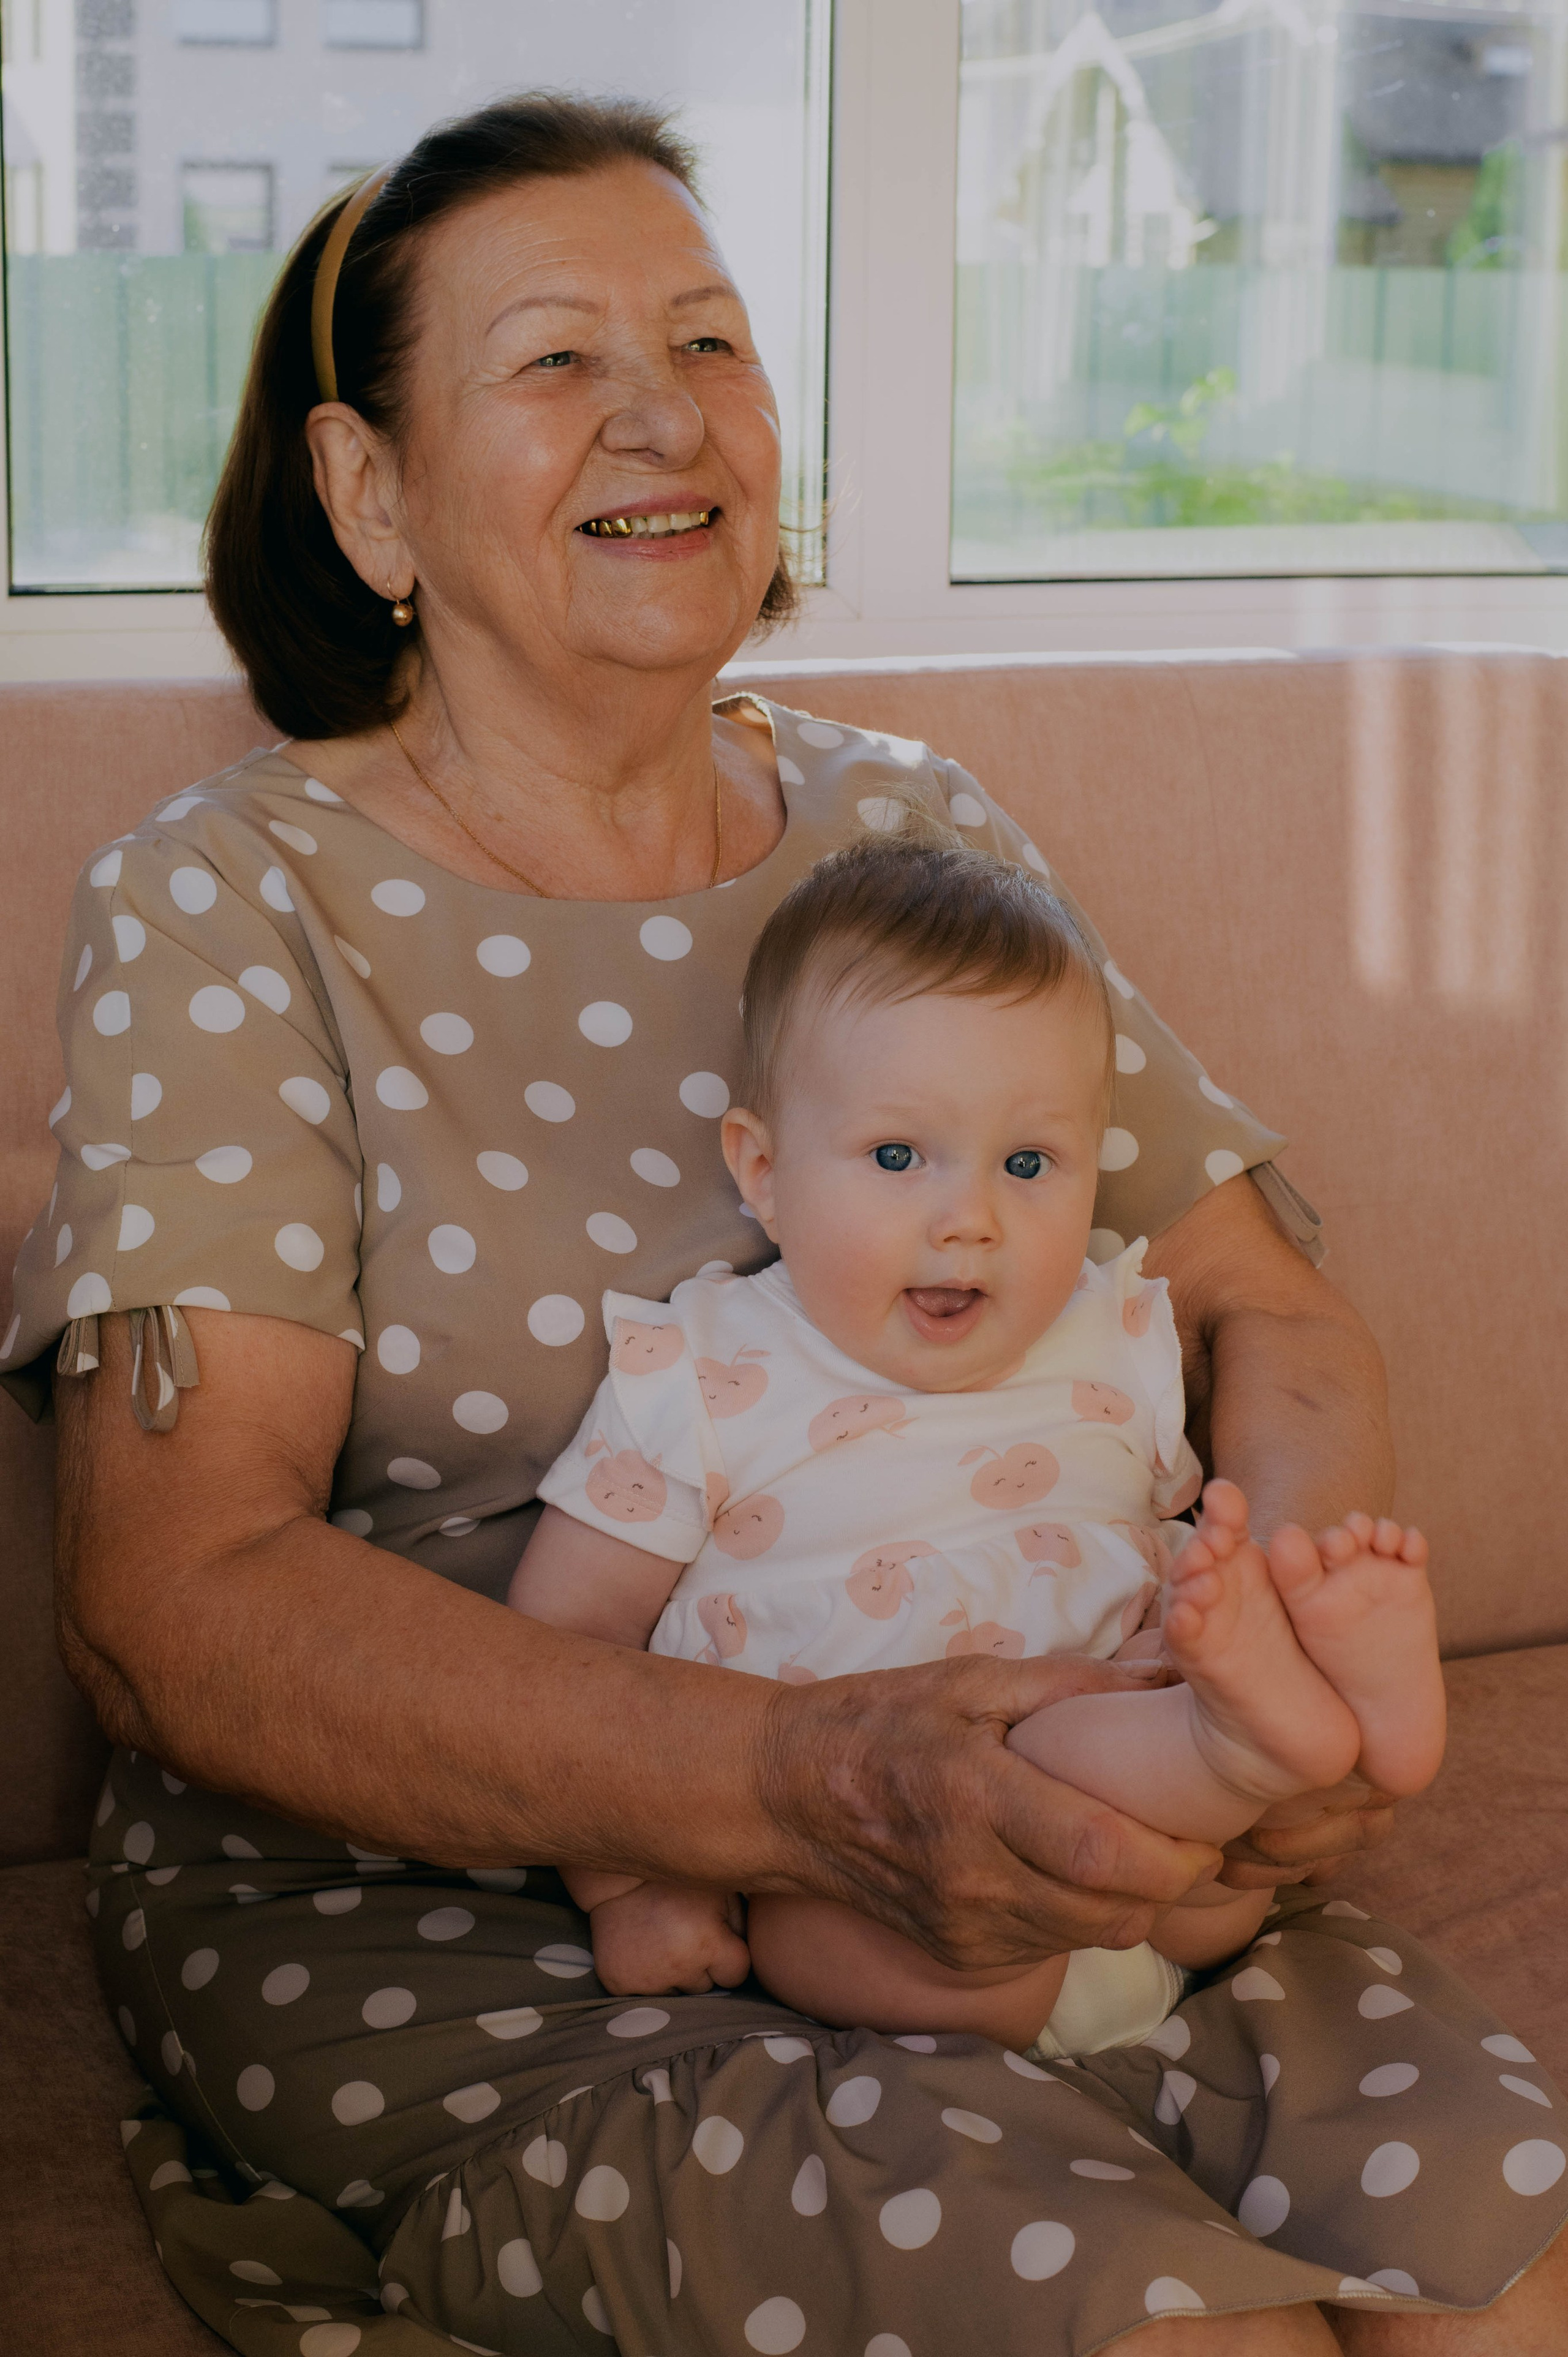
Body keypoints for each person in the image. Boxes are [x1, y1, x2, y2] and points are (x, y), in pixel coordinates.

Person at [5, 88, 1563, 2357]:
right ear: (370, 492)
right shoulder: (230, 903)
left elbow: (1270, 1317)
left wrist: (1295, 1702)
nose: (667, 413)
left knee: (1499, 2275)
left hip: (1050, 1803)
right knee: (1158, 2330)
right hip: (476, 1895)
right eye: (558, 358)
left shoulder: (906, 828)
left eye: (712, 341)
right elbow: (175, 1596)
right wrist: (797, 1784)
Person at [511, 839, 1447, 2059]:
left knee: (1191, 1840)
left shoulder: (1112, 1338)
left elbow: (1175, 1544)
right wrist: (634, 1884)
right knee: (885, 1942)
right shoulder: (702, 1371)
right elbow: (564, 1649)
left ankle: (1269, 1731)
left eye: (1027, 1163)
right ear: (764, 1171)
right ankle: (1268, 1734)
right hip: (870, 1862)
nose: (971, 1219)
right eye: (898, 1157)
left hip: (1156, 1870)